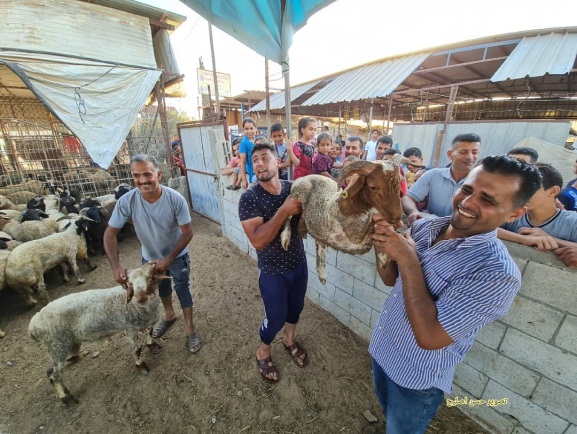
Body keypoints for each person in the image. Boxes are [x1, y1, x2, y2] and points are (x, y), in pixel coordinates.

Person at [369, 155, 542, 434]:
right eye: (468, 189)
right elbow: (390, 279)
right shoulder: (426, 226)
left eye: (488, 200)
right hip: (383, 348)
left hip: (416, 376)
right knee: (386, 410)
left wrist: (410, 259)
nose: (468, 202)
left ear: (514, 214)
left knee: (402, 428)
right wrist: (382, 241)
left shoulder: (497, 274)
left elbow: (430, 337)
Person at [103, 154, 202, 353]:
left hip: (177, 255)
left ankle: (190, 329)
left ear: (158, 174)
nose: (143, 180)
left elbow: (188, 232)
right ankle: (169, 315)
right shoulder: (126, 201)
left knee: (182, 287)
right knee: (160, 288)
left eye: (147, 174)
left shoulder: (175, 199)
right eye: (137, 176)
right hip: (149, 258)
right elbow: (110, 234)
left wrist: (169, 258)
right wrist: (115, 267)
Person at [238, 141, 309, 383]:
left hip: (298, 264)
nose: (259, 163)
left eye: (264, 158)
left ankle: (289, 340)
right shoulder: (249, 198)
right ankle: (263, 350)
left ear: (277, 161)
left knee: (296, 309)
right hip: (272, 272)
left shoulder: (293, 188)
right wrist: (284, 211)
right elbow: (258, 241)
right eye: (254, 160)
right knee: (275, 318)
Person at [402, 133, 481, 225]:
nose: (470, 157)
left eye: (474, 152)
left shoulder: (481, 182)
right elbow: (408, 198)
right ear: (450, 154)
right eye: (463, 152)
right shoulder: (433, 175)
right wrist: (413, 212)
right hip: (431, 229)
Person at [499, 163, 577, 249]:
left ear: (553, 191)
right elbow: (484, 227)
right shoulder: (512, 211)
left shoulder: (573, 221)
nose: (521, 195)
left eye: (530, 189)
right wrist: (523, 239)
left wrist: (551, 239)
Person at [239, 117, 257, 189]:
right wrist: (244, 180)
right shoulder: (244, 143)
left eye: (251, 128)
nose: (249, 131)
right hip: (252, 172)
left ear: (255, 128)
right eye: (246, 129)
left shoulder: (257, 140)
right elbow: (242, 162)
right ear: (243, 130)